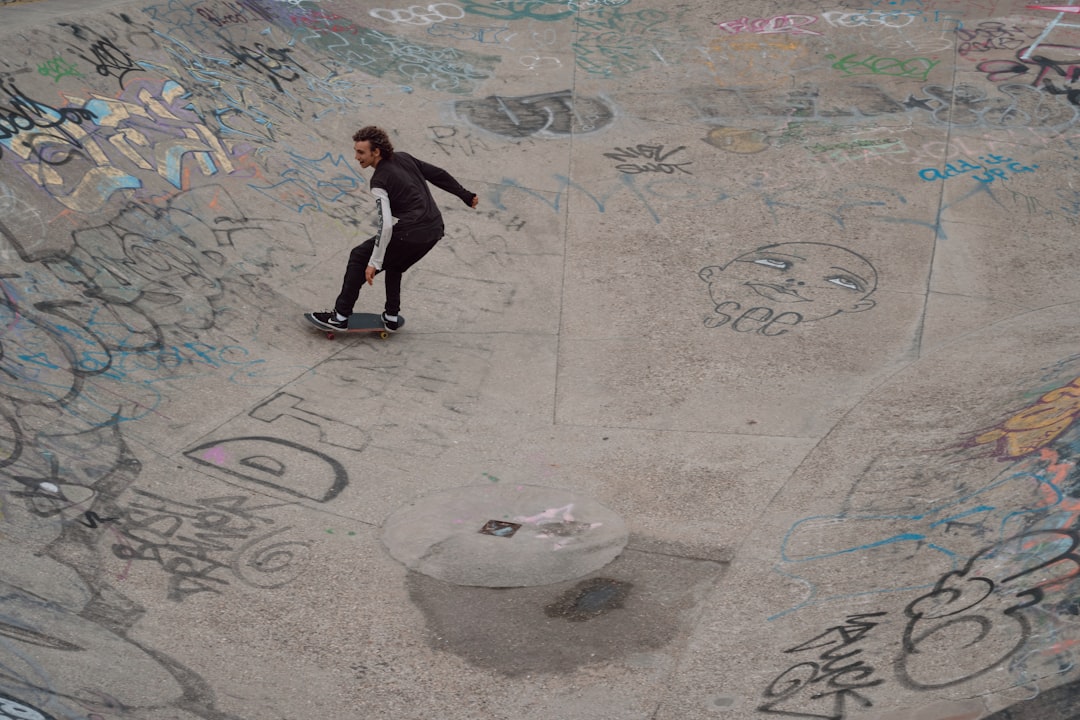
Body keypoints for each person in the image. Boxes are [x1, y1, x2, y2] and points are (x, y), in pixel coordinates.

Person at [310, 126, 479, 332]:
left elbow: (386, 225)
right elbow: (439, 174)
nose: (356, 157)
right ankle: (391, 316)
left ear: (376, 152)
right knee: (396, 264)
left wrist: (374, 262)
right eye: (355, 151)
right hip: (435, 230)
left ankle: (340, 316)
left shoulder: (379, 181)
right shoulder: (405, 158)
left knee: (358, 257)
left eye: (361, 152)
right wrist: (466, 195)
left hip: (411, 232)